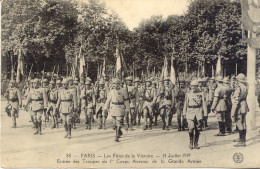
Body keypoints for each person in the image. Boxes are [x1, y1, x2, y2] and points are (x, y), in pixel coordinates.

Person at [103, 78, 130, 142]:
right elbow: (108, 100)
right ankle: (119, 131)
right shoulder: (111, 91)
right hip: (113, 107)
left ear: (119, 84)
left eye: (116, 83)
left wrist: (127, 108)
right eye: (113, 83)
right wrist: (105, 107)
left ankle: (116, 136)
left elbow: (126, 101)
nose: (114, 85)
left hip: (120, 108)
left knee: (118, 121)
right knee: (114, 122)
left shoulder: (123, 91)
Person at [183, 80, 207, 149]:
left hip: (198, 112)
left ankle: (196, 143)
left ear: (197, 86)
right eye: (192, 86)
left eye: (195, 86)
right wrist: (184, 113)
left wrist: (205, 113)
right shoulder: (188, 94)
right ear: (190, 86)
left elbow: (204, 104)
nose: (194, 88)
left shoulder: (201, 93)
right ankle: (191, 143)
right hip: (190, 112)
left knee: (198, 128)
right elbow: (185, 104)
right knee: (191, 128)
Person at [231, 73, 249, 147]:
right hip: (244, 106)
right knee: (243, 122)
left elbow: (236, 101)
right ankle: (242, 139)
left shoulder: (238, 88)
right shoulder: (245, 86)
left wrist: (232, 113)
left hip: (239, 107)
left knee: (239, 122)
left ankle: (241, 142)